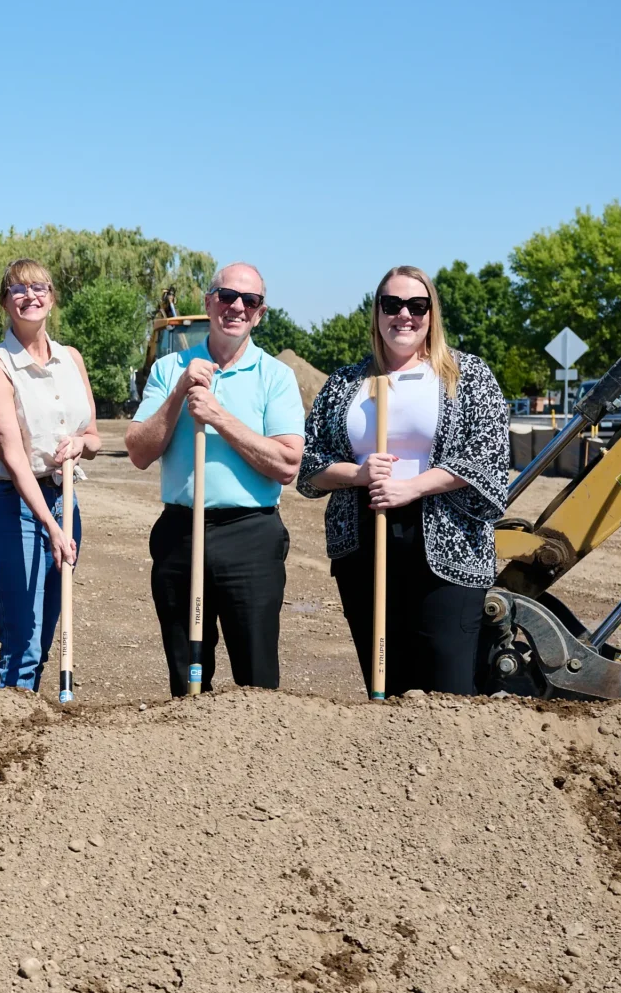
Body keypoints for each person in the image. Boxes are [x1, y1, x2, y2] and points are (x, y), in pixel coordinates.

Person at [299, 266, 508, 695]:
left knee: (447, 687)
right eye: (392, 305)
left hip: (447, 549)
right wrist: (358, 474)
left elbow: (487, 457)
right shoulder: (345, 383)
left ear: (432, 314)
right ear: (376, 313)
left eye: (417, 305)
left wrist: (412, 486)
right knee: (385, 684)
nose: (404, 316)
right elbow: (308, 462)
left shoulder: (466, 377)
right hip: (363, 545)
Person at [124, 263, 304, 697]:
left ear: (260, 313)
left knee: (257, 678)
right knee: (187, 678)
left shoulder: (275, 377)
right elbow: (138, 451)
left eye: (250, 301)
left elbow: (286, 464)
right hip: (181, 534)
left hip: (251, 536)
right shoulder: (171, 369)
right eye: (226, 296)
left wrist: (219, 417)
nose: (237, 306)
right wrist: (179, 394)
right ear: (208, 303)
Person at [0, 259, 102, 690]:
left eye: (39, 286)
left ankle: (28, 733)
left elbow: (95, 437)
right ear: (5, 302)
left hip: (63, 498)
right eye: (18, 289)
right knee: (22, 641)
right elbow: (13, 459)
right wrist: (51, 525)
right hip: (8, 504)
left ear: (52, 296)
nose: (30, 295)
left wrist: (81, 443)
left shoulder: (71, 358)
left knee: (41, 641)